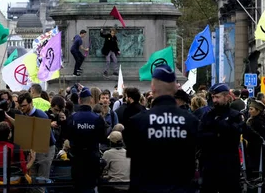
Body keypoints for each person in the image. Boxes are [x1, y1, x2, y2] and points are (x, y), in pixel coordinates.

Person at [123, 65, 199, 193]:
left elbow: (133, 158)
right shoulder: (191, 121)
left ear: (152, 88)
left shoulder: (137, 122)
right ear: (176, 87)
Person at [198, 83, 244, 193]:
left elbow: (233, 135)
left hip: (229, 165)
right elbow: (200, 136)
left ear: (227, 97)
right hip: (210, 164)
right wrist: (218, 134)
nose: (214, 100)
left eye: (217, 97)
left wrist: (219, 131)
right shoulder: (207, 115)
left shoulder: (235, 116)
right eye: (213, 97)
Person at [64, 87, 107, 192]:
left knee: (78, 187)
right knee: (90, 187)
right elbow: (103, 139)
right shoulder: (97, 119)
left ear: (79, 100)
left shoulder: (72, 118)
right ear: (91, 100)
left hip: (77, 159)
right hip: (92, 159)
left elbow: (67, 136)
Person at [17, 92, 55, 181]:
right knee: (32, 179)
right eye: (21, 106)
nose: (22, 108)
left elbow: (43, 138)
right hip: (34, 150)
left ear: (31, 103)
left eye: (24, 105)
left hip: (45, 149)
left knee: (41, 180)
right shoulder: (25, 114)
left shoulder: (41, 116)